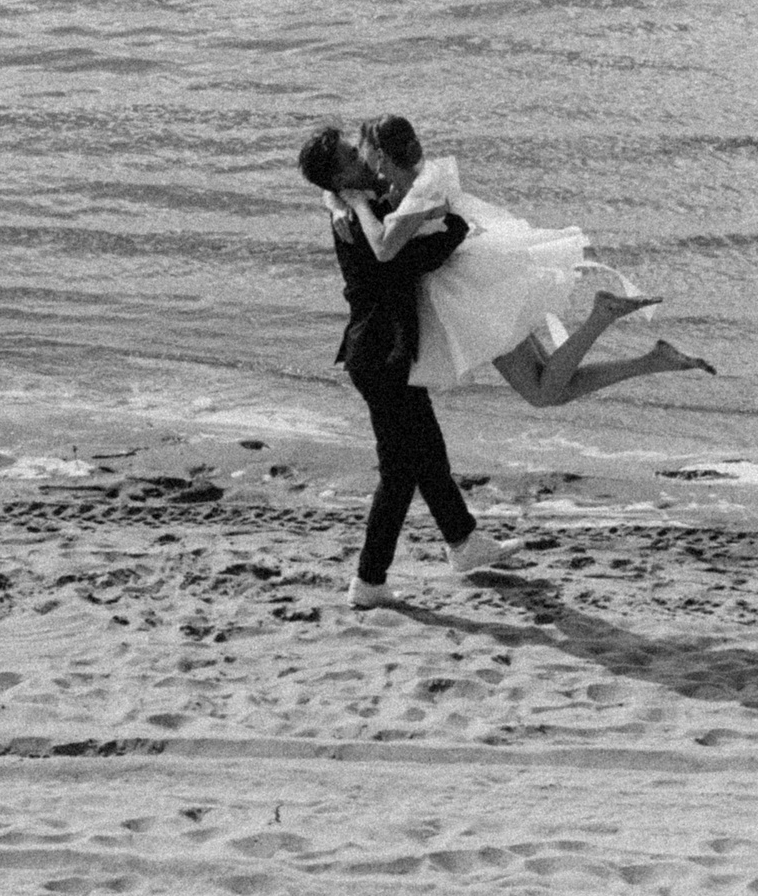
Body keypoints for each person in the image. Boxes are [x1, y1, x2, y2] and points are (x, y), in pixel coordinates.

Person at [348, 114, 712, 403]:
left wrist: (354, 204)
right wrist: (337, 199)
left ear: (380, 154)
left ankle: (603, 319)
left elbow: (383, 248)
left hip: (469, 296)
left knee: (542, 392)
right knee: (547, 387)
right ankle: (652, 360)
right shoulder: (422, 178)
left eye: (364, 151)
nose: (361, 159)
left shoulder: (418, 193)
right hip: (474, 283)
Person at [296, 124, 513, 604]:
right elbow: (410, 260)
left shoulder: (358, 206)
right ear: (339, 174)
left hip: (381, 352)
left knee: (426, 454)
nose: (364, 156)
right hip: (380, 355)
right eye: (354, 154)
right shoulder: (357, 217)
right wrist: (455, 228)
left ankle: (464, 543)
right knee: (400, 470)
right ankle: (369, 580)